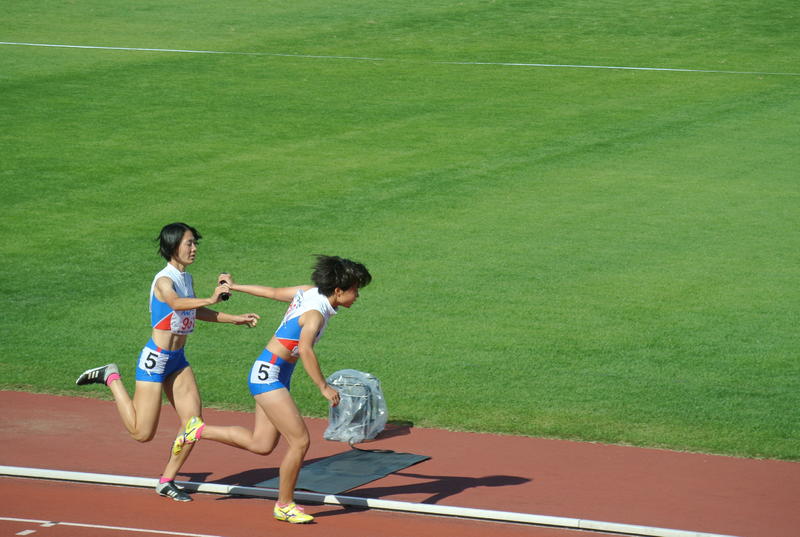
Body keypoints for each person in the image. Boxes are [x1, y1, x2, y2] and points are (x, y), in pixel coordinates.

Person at [178, 255, 372, 524]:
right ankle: (284, 505)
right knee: (300, 441)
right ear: (338, 291)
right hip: (268, 375)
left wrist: (235, 286)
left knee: (262, 444)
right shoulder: (314, 315)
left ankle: (197, 430)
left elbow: (272, 292)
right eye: (355, 290)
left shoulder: (309, 292)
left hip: (274, 373)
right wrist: (323, 386)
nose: (358, 295)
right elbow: (305, 349)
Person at [75, 222, 260, 502]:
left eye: (195, 243)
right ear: (173, 247)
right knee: (142, 433)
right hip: (155, 361)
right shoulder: (164, 280)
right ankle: (111, 377)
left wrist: (235, 318)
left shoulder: (187, 278)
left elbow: (194, 312)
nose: (194, 248)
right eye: (189, 243)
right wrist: (212, 296)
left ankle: (167, 480)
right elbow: (176, 304)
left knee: (193, 424)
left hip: (178, 361)